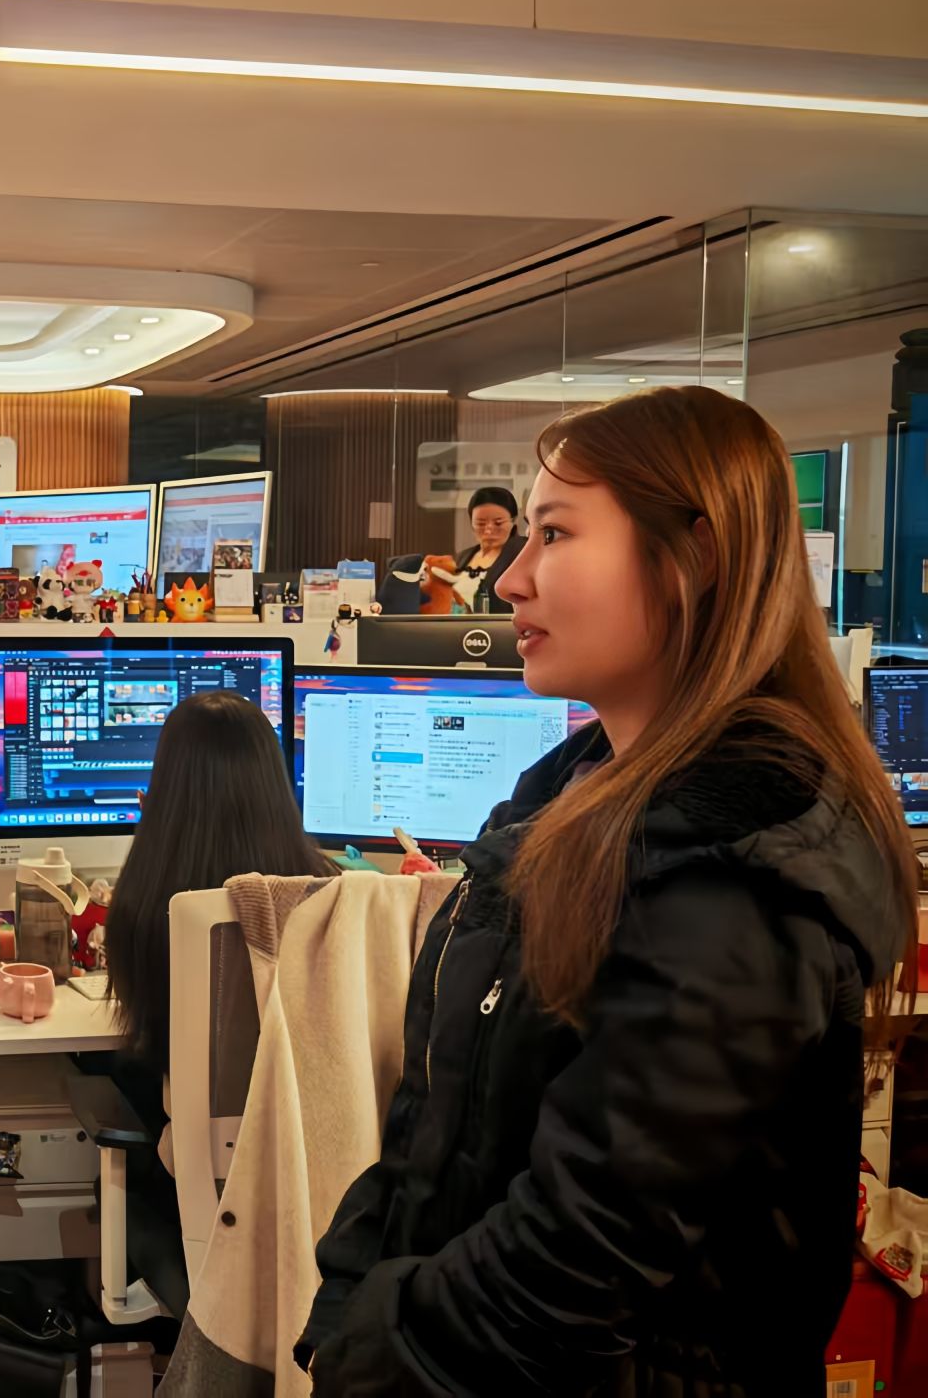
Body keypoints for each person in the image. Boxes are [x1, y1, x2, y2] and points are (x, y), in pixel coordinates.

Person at [301, 385, 916, 1395]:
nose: (511, 579)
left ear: (695, 558)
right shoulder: (567, 795)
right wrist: (346, 1309)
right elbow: (436, 1124)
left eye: (552, 534)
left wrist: (372, 1349)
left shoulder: (733, 861)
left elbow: (580, 1258)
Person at [100, 690, 328, 1315]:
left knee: (96, 1071)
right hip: (311, 1193)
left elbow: (146, 1036)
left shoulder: (145, 905)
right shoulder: (331, 894)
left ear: (164, 791)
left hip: (195, 1194)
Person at [449, 484, 524, 613]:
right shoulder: (463, 556)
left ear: (513, 521)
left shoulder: (522, 551)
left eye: (498, 523)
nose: (488, 530)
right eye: (481, 523)